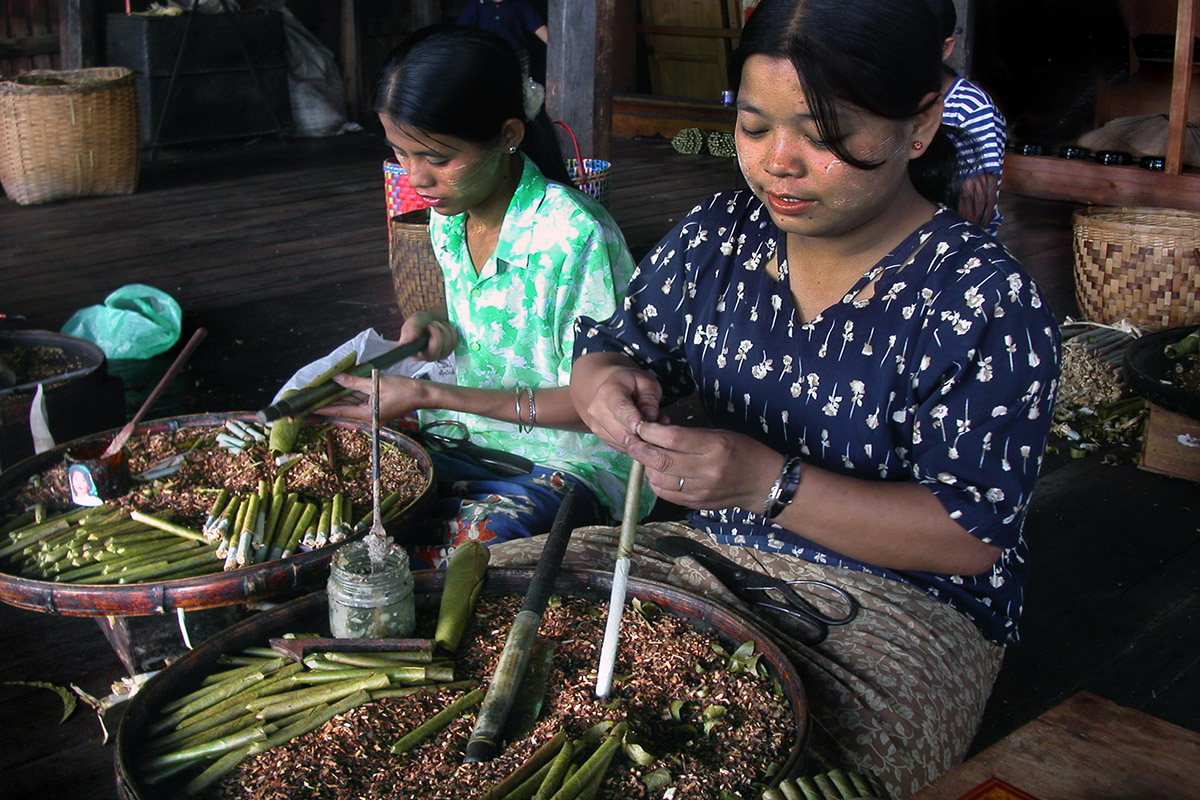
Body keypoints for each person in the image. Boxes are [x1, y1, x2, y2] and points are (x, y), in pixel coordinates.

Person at [491, 0, 1060, 795]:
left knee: (780, 774)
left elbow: (971, 535)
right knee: (492, 626)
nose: (779, 163)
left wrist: (768, 483)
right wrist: (605, 389)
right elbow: (614, 348)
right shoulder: (722, 234)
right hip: (706, 557)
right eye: (755, 127)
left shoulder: (981, 300)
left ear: (921, 123)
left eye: (826, 134)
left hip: (897, 607)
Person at [318, 25, 650, 568]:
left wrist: (430, 396)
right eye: (400, 153)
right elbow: (479, 323)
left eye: (438, 158)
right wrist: (433, 325)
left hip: (570, 462)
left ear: (509, 134)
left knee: (458, 555)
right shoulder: (448, 220)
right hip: (467, 436)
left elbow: (602, 407)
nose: (416, 177)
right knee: (336, 500)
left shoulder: (574, 236)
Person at [929, 0, 1008, 235]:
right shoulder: (888, 98)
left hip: (954, 248)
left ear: (946, 48)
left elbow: (974, 216)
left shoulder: (970, 108)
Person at [456, 0, 549, 79]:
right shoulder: (477, 5)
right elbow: (460, 33)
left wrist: (558, 46)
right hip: (486, 57)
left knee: (519, 90)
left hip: (516, 56)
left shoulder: (519, 4)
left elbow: (538, 27)